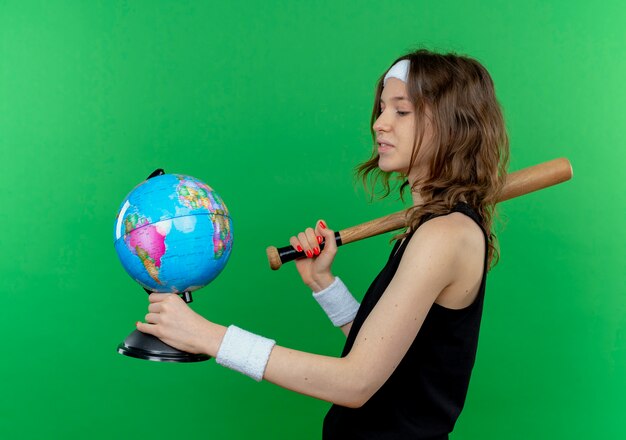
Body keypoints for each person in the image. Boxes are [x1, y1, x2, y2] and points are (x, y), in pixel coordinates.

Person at [136, 48, 510, 439]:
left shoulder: (444, 234)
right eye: (382, 109)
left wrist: (209, 337)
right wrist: (324, 284)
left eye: (402, 111)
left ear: (452, 124)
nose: (380, 124)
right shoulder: (429, 228)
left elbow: (356, 383)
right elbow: (392, 358)